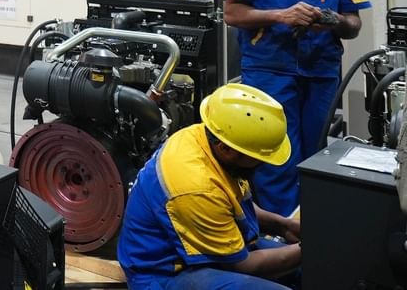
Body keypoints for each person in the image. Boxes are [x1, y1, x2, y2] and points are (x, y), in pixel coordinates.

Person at [215, 0, 370, 217]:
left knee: (317, 154)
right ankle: (281, 230)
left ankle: (314, 228)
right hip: (269, 71)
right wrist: (281, 16)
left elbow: (353, 24)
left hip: (321, 73)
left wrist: (330, 20)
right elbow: (232, 14)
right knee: (275, 156)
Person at [118, 83, 301, 290]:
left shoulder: (207, 136)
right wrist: (310, 248)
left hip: (199, 248)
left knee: (304, 267)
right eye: (258, 157)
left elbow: (233, 202)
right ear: (226, 149)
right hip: (164, 272)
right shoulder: (196, 186)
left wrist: (283, 226)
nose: (263, 162)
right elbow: (244, 265)